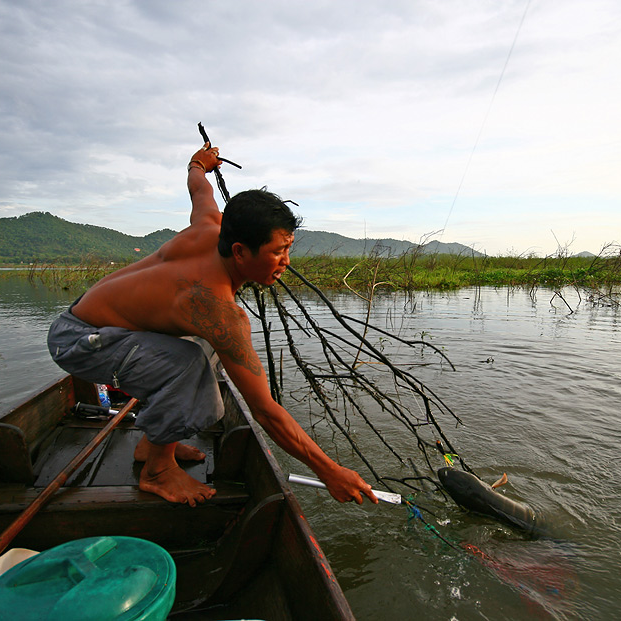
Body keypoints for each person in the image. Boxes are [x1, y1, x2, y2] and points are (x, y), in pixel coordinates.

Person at [47, 142, 378, 507]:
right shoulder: (215, 308)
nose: (285, 262)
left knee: (201, 348)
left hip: (102, 326)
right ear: (239, 251)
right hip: (78, 340)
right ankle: (157, 471)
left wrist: (198, 163)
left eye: (289, 248)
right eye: (276, 252)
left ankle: (151, 443)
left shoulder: (211, 225)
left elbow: (199, 189)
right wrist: (329, 470)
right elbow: (265, 411)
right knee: (190, 364)